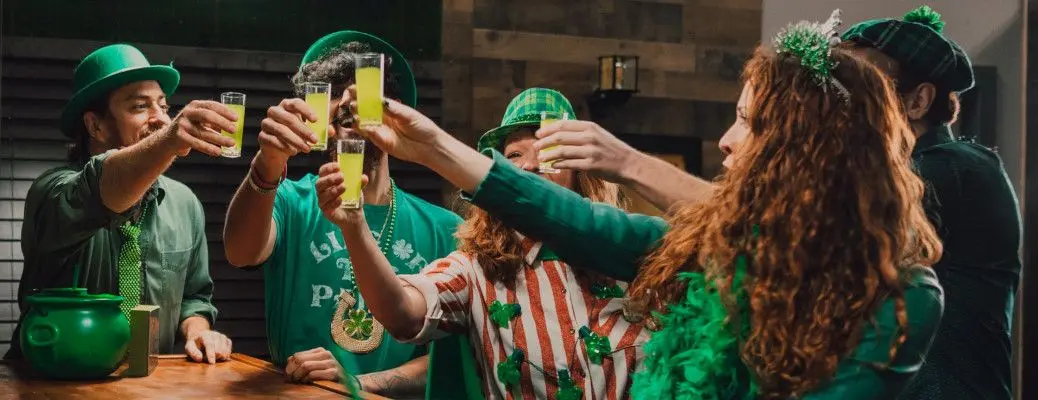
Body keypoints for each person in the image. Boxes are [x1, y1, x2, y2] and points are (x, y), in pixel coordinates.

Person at [340, 10, 947, 399]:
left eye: (748, 122)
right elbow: (584, 224)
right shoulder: (706, 248)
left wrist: (627, 161)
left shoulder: (900, 298)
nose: (727, 141)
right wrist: (434, 148)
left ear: (804, 151)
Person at [317, 88, 648, 398]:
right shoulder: (477, 270)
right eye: (514, 155)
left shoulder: (633, 256)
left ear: (579, 171)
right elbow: (401, 313)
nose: (529, 166)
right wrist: (355, 228)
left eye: (549, 152)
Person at [221, 31, 461, 397]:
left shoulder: (445, 229)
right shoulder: (291, 200)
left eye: (356, 106)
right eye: (332, 111)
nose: (343, 125)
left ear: (394, 115)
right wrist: (267, 162)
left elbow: (451, 358)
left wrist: (355, 385)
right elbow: (240, 252)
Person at [7, 44, 233, 363]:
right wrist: (169, 142)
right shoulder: (53, 191)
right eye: (140, 107)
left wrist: (198, 331)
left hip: (149, 383)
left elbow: (194, 298)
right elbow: (104, 187)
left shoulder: (185, 203)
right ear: (95, 125)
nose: (161, 119)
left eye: (164, 106)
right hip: (54, 380)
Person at [840, 6, 1023, 399]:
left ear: (918, 100)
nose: (845, 105)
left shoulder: (951, 170)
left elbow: (813, 225)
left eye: (863, 88)